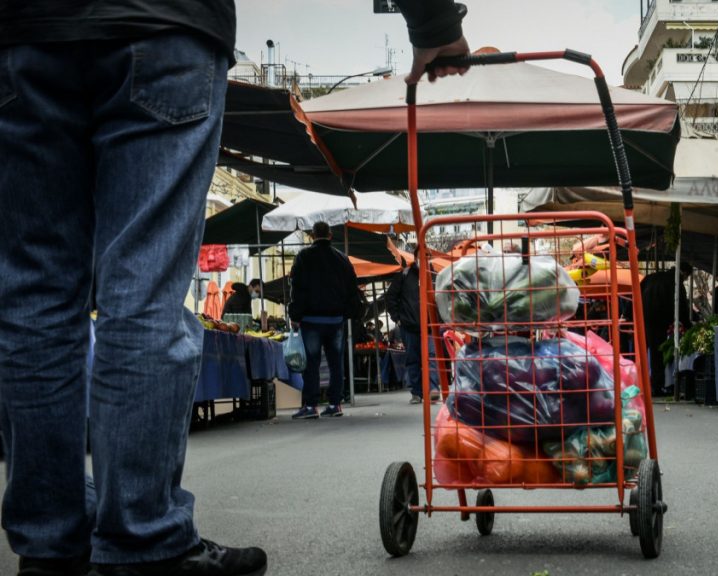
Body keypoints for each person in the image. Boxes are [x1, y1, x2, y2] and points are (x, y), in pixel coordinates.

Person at [0, 1, 469, 573]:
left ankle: (49, 547)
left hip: (24, 35)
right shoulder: (341, 264)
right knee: (142, 294)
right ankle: (141, 541)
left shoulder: (309, 265)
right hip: (162, 26)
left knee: (36, 300)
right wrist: (433, 23)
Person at [288, 222, 360, 419]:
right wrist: (346, 313)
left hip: (311, 319)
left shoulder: (304, 257)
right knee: (336, 362)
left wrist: (295, 315)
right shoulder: (341, 258)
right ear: (330, 235)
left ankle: (311, 406)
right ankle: (335, 403)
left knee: (312, 363)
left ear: (312, 235)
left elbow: (298, 287)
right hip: (336, 319)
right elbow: (352, 288)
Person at [386, 244, 439, 404]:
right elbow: (391, 298)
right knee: (413, 359)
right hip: (409, 325)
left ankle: (433, 390)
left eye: (427, 256)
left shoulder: (435, 275)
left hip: (430, 326)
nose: (424, 259)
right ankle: (416, 392)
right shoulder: (405, 274)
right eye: (421, 255)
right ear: (416, 257)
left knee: (431, 357)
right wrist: (398, 319)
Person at [640, 263, 693, 394]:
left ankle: (640, 383)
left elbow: (635, 293)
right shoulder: (676, 282)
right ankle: (657, 387)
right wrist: (688, 325)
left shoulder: (651, 277)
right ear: (684, 273)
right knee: (657, 354)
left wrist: (627, 314)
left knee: (642, 352)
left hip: (644, 319)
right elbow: (682, 306)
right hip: (660, 320)